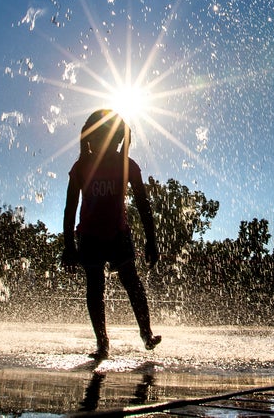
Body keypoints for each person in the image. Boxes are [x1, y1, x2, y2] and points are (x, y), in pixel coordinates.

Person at [62, 109, 161, 359]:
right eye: (100, 139)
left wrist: (151, 240)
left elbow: (143, 205)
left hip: (118, 234)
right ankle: (102, 343)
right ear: (89, 140)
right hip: (89, 237)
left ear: (120, 140)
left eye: (114, 139)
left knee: (132, 282)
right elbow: (70, 208)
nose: (108, 145)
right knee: (95, 287)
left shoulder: (127, 166)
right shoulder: (81, 167)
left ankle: (146, 334)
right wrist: (69, 246)